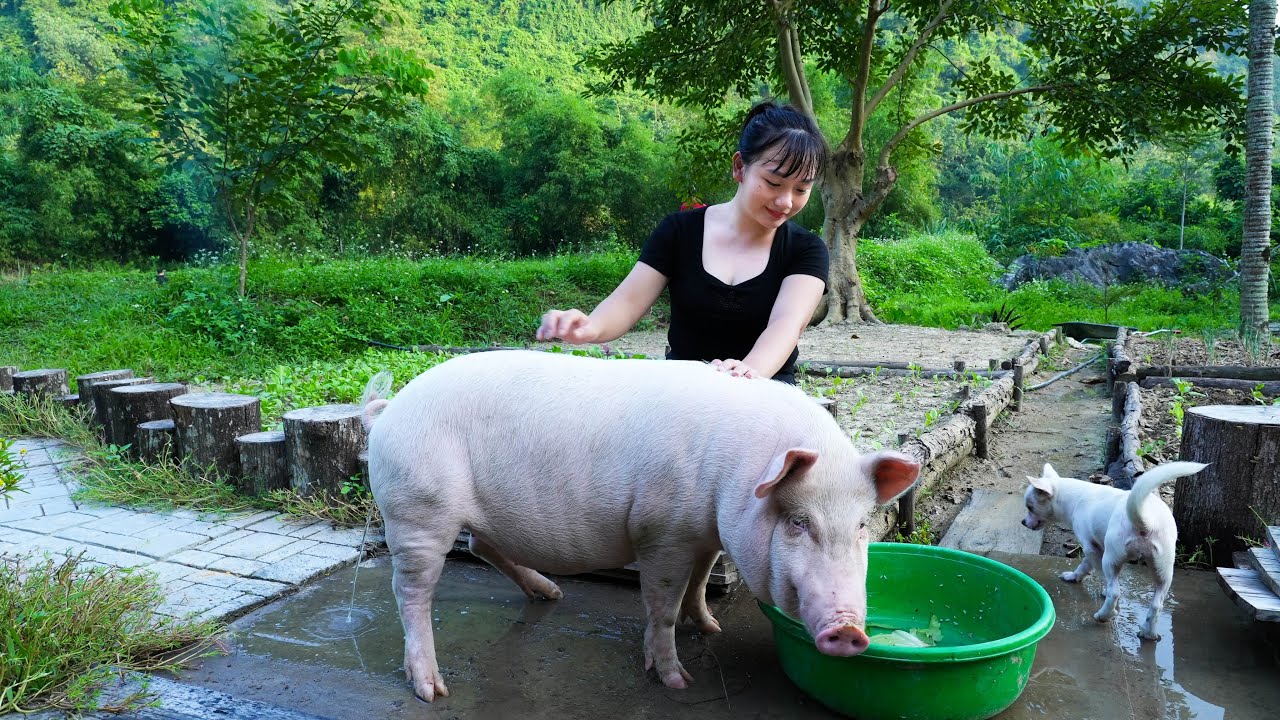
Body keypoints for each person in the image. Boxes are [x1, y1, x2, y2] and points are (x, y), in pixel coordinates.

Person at [536, 101, 829, 384]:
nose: (786, 201)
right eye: (774, 183)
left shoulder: (806, 249)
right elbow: (627, 302)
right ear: (740, 167)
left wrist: (747, 372)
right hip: (683, 394)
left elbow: (787, 324)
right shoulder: (678, 231)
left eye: (802, 189)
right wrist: (589, 327)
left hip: (765, 390)